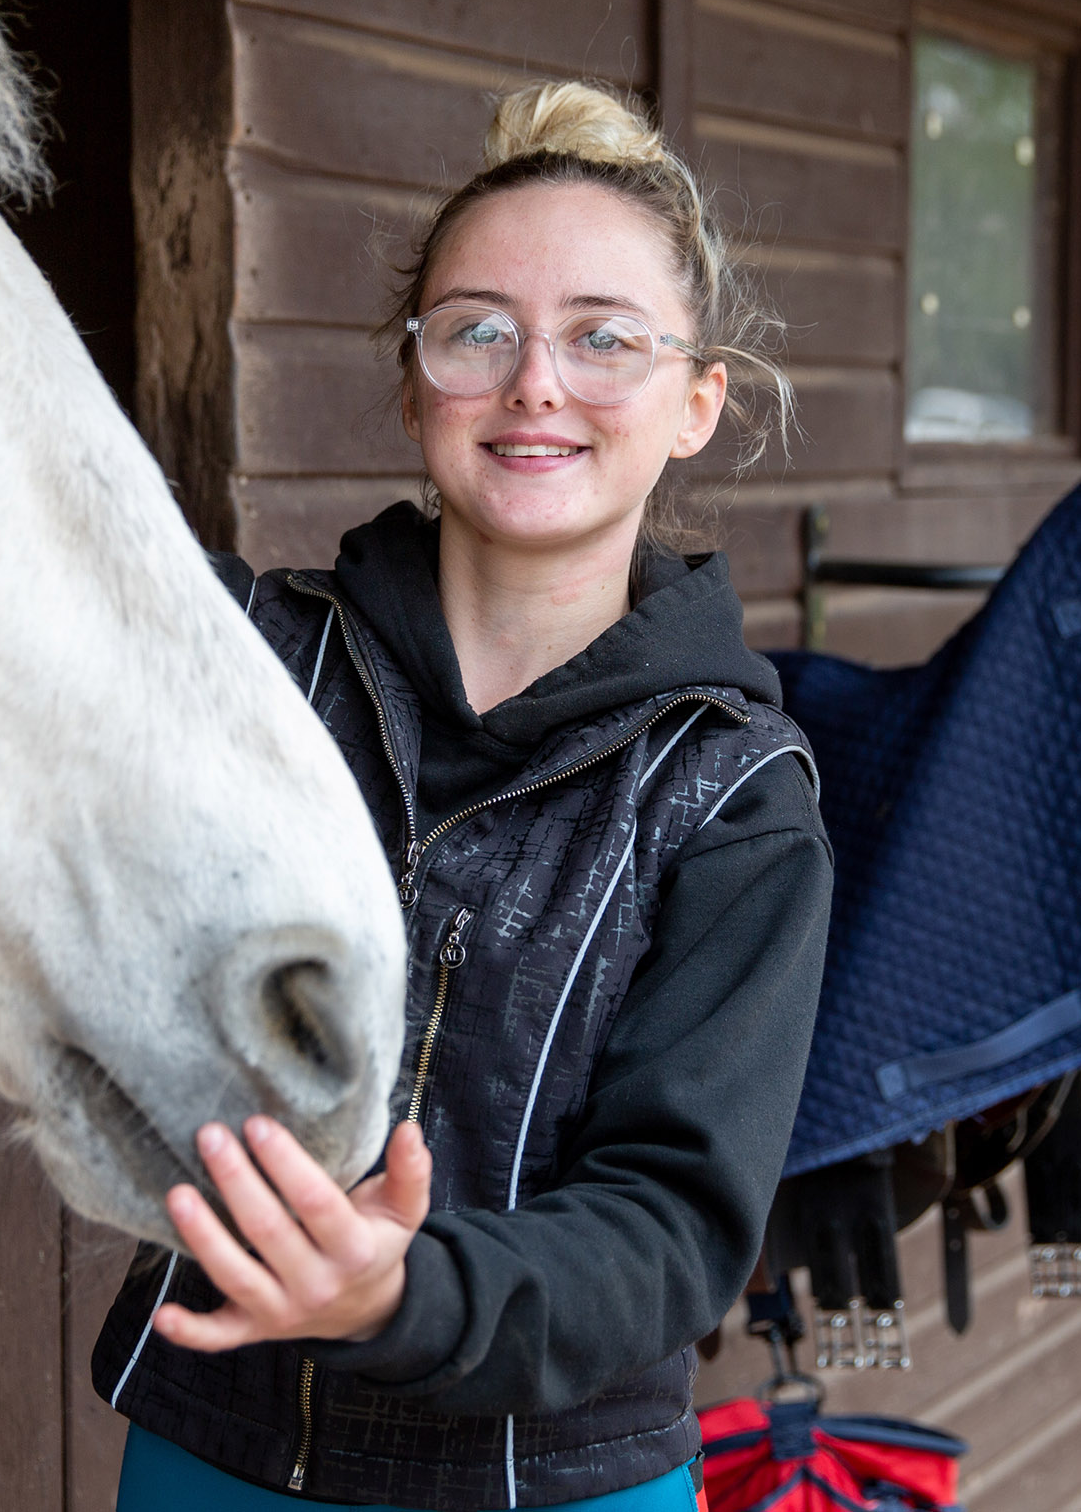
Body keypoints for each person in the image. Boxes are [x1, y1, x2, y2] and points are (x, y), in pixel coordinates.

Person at [92, 81, 834, 1511]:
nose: (536, 382)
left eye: (603, 338)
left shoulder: (734, 794)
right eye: (479, 328)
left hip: (556, 1486)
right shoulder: (245, 664)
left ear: (697, 404)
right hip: (216, 1450)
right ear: (414, 375)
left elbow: (674, 1226)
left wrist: (400, 1293)